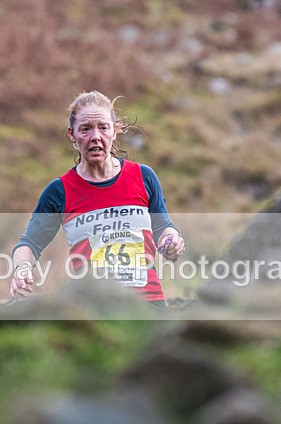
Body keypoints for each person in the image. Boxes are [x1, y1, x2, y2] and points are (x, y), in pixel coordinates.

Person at [10, 90, 185, 306]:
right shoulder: (60, 191)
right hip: (93, 306)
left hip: (147, 302)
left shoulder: (143, 177)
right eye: (85, 129)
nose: (95, 137)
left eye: (103, 127)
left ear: (115, 130)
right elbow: (28, 244)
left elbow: (164, 228)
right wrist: (22, 270)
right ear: (72, 135)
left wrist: (173, 240)